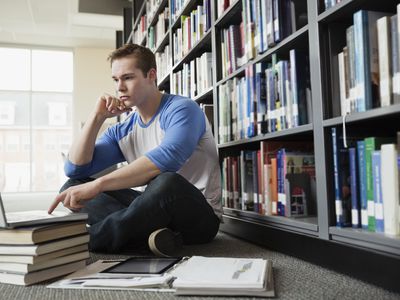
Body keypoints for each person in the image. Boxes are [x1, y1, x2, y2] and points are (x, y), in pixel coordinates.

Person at [48, 43, 222, 256]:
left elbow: (168, 158)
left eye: (128, 78)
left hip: (197, 218)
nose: (119, 87)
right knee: (73, 186)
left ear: (151, 75)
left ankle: (89, 239)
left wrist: (99, 184)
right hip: (151, 212)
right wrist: (97, 117)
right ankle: (151, 237)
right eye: (115, 80)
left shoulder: (182, 109)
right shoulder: (124, 128)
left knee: (166, 181)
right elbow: (75, 169)